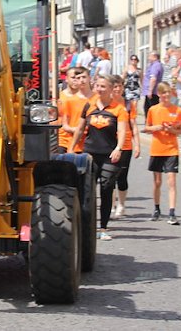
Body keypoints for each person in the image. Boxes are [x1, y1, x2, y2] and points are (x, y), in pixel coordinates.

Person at [70, 73, 127, 241]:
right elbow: (80, 129)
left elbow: (122, 130)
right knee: (87, 191)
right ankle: (86, 227)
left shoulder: (119, 109)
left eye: (104, 87)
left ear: (110, 89)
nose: (100, 89)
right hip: (90, 153)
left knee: (106, 189)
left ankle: (103, 228)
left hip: (110, 154)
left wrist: (119, 148)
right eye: (98, 86)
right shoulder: (89, 106)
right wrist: (72, 148)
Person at [144, 83, 181, 225]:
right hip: (157, 148)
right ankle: (156, 209)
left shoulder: (177, 110)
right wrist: (156, 127)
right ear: (159, 95)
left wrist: (171, 130)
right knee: (157, 182)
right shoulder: (153, 110)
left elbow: (180, 131)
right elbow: (146, 128)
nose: (166, 96)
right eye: (163, 93)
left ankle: (172, 212)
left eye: (168, 93)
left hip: (171, 149)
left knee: (171, 181)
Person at [110, 75, 139, 219]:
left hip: (126, 144)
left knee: (122, 176)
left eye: (120, 86)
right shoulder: (107, 103)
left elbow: (133, 125)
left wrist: (137, 144)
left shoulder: (128, 104)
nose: (117, 89)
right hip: (109, 143)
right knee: (109, 177)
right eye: (114, 86)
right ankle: (111, 204)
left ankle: (121, 204)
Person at [56, 67, 90, 154]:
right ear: (66, 79)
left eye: (78, 78)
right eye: (73, 78)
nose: (76, 81)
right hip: (63, 139)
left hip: (83, 141)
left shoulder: (88, 98)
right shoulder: (60, 97)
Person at [141, 51, 163, 115]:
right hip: (150, 92)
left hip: (153, 92)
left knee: (151, 109)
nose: (148, 58)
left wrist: (150, 91)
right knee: (147, 108)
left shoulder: (156, 65)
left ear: (155, 57)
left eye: (150, 56)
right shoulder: (152, 65)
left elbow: (153, 78)